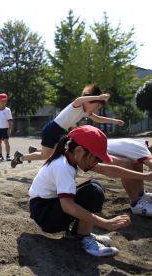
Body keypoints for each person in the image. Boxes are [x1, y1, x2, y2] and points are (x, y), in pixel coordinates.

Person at [29, 125, 132, 257]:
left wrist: (145, 176)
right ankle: (84, 237)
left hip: (44, 208)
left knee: (95, 185)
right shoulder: (63, 165)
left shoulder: (69, 158)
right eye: (96, 158)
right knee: (93, 191)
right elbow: (67, 206)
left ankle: (78, 232)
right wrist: (106, 223)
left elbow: (108, 169)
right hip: (45, 215)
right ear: (79, 151)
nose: (97, 162)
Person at [12, 84, 124, 168]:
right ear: (89, 101)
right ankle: (20, 157)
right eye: (96, 107)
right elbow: (79, 99)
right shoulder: (77, 105)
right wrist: (99, 97)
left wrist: (115, 121)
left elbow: (99, 119)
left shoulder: (85, 112)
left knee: (55, 151)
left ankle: (34, 150)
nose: (95, 110)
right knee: (45, 155)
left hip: (60, 131)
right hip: (52, 129)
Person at [91, 138, 152, 216]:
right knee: (126, 164)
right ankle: (136, 204)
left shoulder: (141, 145)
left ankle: (141, 195)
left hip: (101, 150)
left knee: (137, 161)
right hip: (94, 153)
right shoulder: (143, 150)